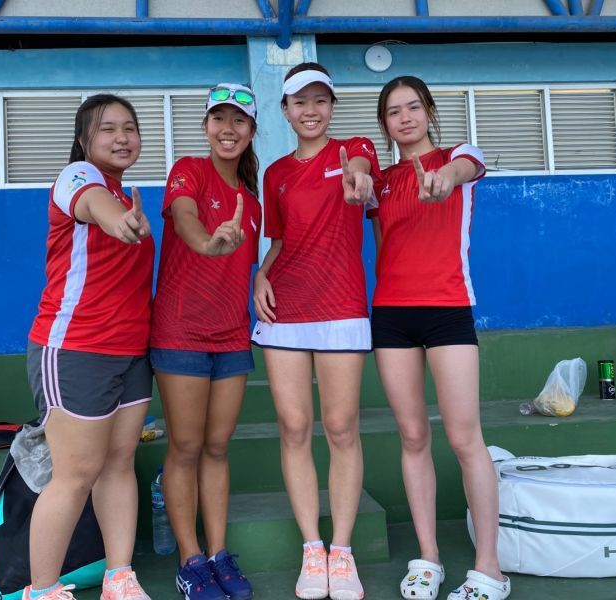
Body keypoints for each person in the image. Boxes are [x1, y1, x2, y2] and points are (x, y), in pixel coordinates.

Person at [370, 76, 510, 600]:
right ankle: (428, 558)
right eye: (393, 112)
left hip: (448, 309)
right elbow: (384, 242)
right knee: (412, 436)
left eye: (413, 107)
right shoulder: (380, 182)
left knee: (463, 438)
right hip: (390, 316)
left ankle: (489, 568)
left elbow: (465, 167)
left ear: (428, 112)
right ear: (384, 124)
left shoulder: (458, 157)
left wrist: (445, 178)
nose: (404, 118)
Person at [252, 63, 380, 600]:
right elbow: (280, 239)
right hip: (284, 309)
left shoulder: (353, 149)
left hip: (343, 308)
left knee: (342, 426)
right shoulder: (275, 174)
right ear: (284, 111)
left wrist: (357, 176)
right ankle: (312, 547)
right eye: (298, 102)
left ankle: (342, 551)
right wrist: (261, 270)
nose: (310, 110)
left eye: (319, 101)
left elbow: (361, 169)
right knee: (294, 427)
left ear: (331, 106)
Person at [23, 94, 155, 600]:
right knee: (76, 474)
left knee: (119, 464)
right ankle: (44, 589)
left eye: (130, 127)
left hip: (130, 351)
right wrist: (115, 220)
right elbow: (91, 206)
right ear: (83, 140)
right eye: (107, 129)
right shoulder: (78, 178)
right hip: (75, 348)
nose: (122, 137)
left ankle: (119, 577)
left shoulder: (125, 192)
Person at [151, 83, 261, 600]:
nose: (228, 129)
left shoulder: (253, 200)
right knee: (187, 446)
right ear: (206, 127)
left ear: (252, 131)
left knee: (217, 447)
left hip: (233, 335)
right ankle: (189, 559)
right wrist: (207, 244)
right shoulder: (187, 170)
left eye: (239, 121)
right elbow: (186, 217)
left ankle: (218, 555)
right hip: (180, 331)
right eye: (219, 119)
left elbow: (259, 259)